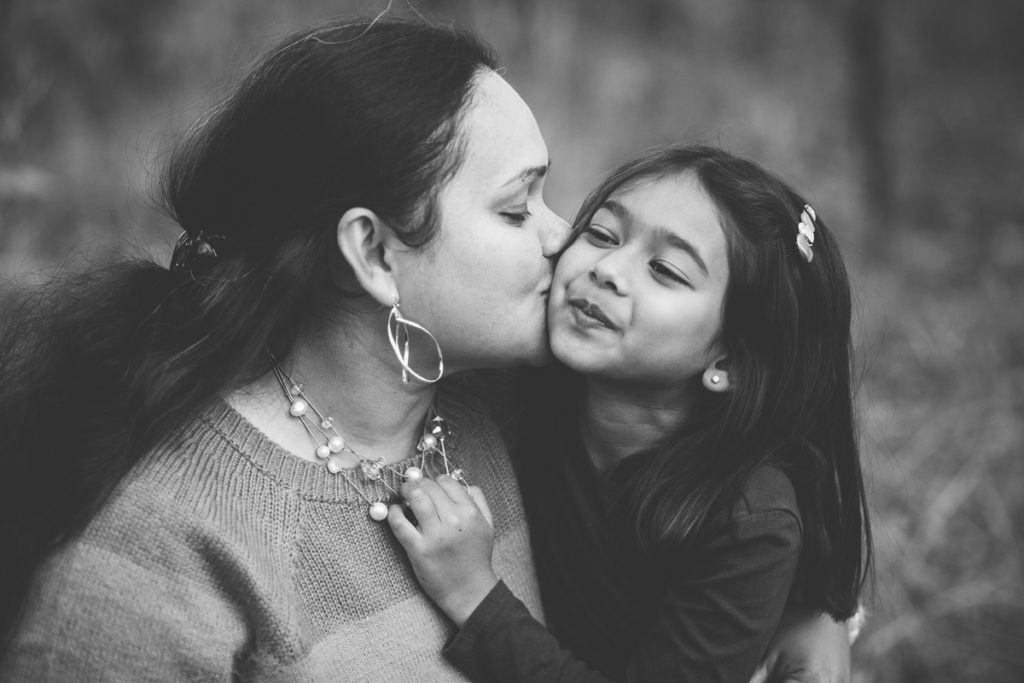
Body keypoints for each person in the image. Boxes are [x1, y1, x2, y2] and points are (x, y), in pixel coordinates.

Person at [0, 14, 851, 681]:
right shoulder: (151, 558)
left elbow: (763, 444)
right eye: (520, 209)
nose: (569, 245)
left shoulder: (494, 411)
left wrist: (815, 611)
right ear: (373, 254)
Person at [388, 145, 872, 682]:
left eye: (665, 270)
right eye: (601, 234)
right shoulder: (519, 384)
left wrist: (474, 596)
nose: (607, 270)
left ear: (728, 360)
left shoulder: (746, 520)